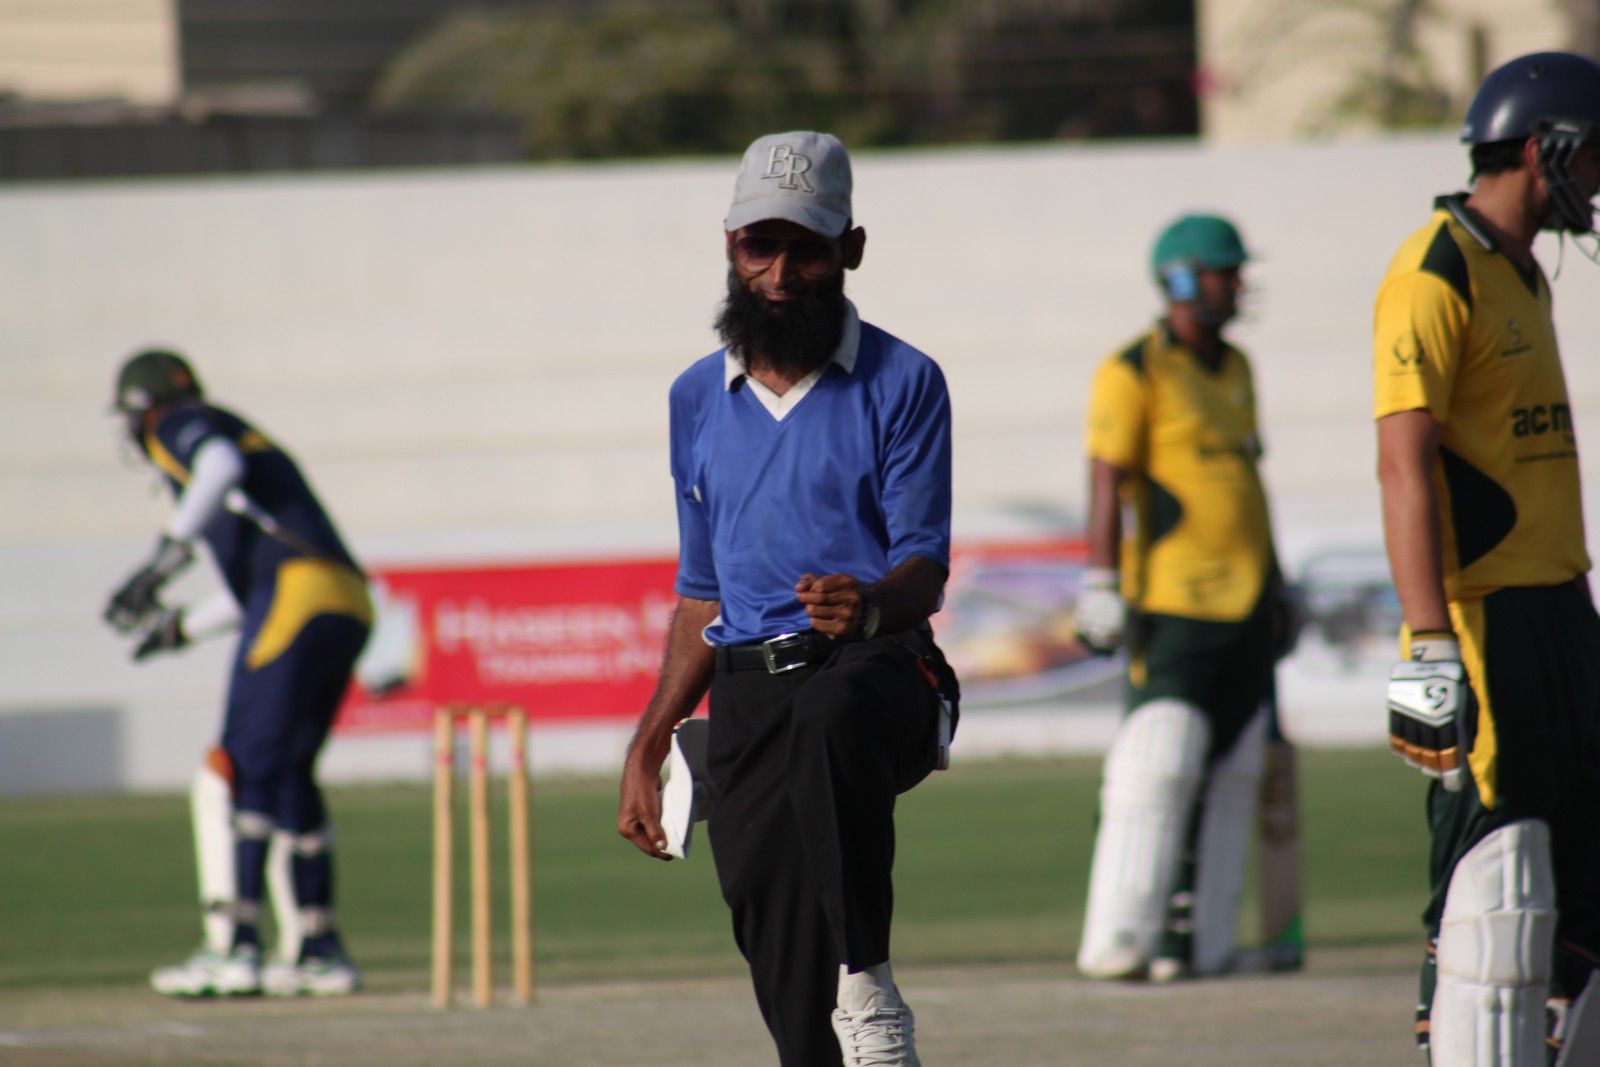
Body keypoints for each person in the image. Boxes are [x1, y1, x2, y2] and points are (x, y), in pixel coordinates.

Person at [616, 130, 958, 1067]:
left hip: (879, 669)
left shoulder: (905, 380)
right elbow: (702, 592)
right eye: (758, 246)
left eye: (804, 248)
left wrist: (871, 606)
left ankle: (869, 983)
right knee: (781, 958)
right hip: (749, 693)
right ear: (730, 246)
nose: (778, 272)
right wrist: (650, 740)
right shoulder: (695, 397)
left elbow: (924, 565)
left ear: (851, 248)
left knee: (828, 715)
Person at [1372, 51, 1600, 1066]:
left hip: (1560, 604)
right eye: (1590, 155)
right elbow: (1402, 466)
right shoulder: (1434, 271)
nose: (1596, 178)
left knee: (1582, 874)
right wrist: (1428, 644)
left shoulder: (1524, 271)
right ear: (1541, 149)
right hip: (1482, 617)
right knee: (1494, 873)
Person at [103, 348, 371, 997]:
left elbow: (220, 464)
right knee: (290, 769)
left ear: (142, 409)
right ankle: (318, 949)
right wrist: (180, 629)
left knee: (241, 766)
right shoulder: (242, 455)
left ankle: (235, 946)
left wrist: (163, 559)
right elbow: (248, 593)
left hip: (296, 592)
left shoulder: (180, 423)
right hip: (344, 596)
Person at [1073, 213, 1295, 982]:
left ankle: (1205, 944)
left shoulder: (1238, 367)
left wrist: (1278, 583)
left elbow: (1248, 484)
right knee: (1157, 764)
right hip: (1171, 603)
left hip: (1247, 604)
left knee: (1235, 771)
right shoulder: (1132, 369)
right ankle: (1118, 937)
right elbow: (1106, 480)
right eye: (1222, 272)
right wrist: (1101, 582)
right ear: (1178, 278)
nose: (1236, 285)